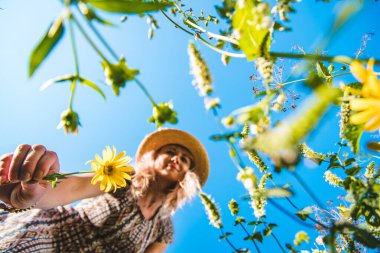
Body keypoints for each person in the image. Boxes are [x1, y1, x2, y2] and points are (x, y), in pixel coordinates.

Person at [0, 128, 209, 253]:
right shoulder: (124, 178)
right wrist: (36, 191)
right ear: (153, 158)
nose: (176, 159)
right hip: (50, 236)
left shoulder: (164, 227)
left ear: (186, 176)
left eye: (184, 160)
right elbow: (74, 188)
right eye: (170, 152)